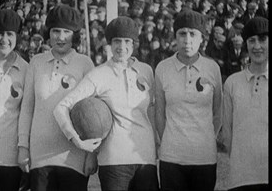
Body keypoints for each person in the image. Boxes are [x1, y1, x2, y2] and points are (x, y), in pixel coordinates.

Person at [53, 16, 159, 191]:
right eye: (117, 41)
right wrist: (80, 143)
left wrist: (156, 149)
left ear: (134, 44)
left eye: (127, 41)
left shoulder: (146, 71)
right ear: (110, 43)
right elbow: (61, 107)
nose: (122, 47)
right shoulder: (99, 74)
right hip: (114, 162)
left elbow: (152, 113)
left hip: (145, 160)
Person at [17, 4, 98, 191]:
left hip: (74, 157)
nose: (60, 37)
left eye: (66, 32)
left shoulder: (85, 63)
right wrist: (23, 147)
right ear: (48, 32)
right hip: (40, 157)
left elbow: (93, 112)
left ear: (75, 35)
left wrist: (91, 155)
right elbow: (27, 108)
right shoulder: (36, 62)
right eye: (55, 31)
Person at [155, 10, 223, 191]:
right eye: (182, 34)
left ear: (202, 38)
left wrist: (206, 138)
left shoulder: (212, 68)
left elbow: (218, 113)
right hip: (171, 157)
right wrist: (171, 142)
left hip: (204, 157)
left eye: (193, 34)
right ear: (175, 36)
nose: (187, 40)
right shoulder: (162, 68)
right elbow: (159, 114)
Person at [222, 17, 268, 191]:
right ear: (245, 44)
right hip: (241, 176)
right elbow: (227, 132)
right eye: (251, 40)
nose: (257, 46)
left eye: (263, 39)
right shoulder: (232, 82)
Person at [0, 9, 29, 191]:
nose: (3, 39)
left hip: (10, 158)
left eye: (9, 34)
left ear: (17, 37)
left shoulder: (26, 69)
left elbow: (27, 114)